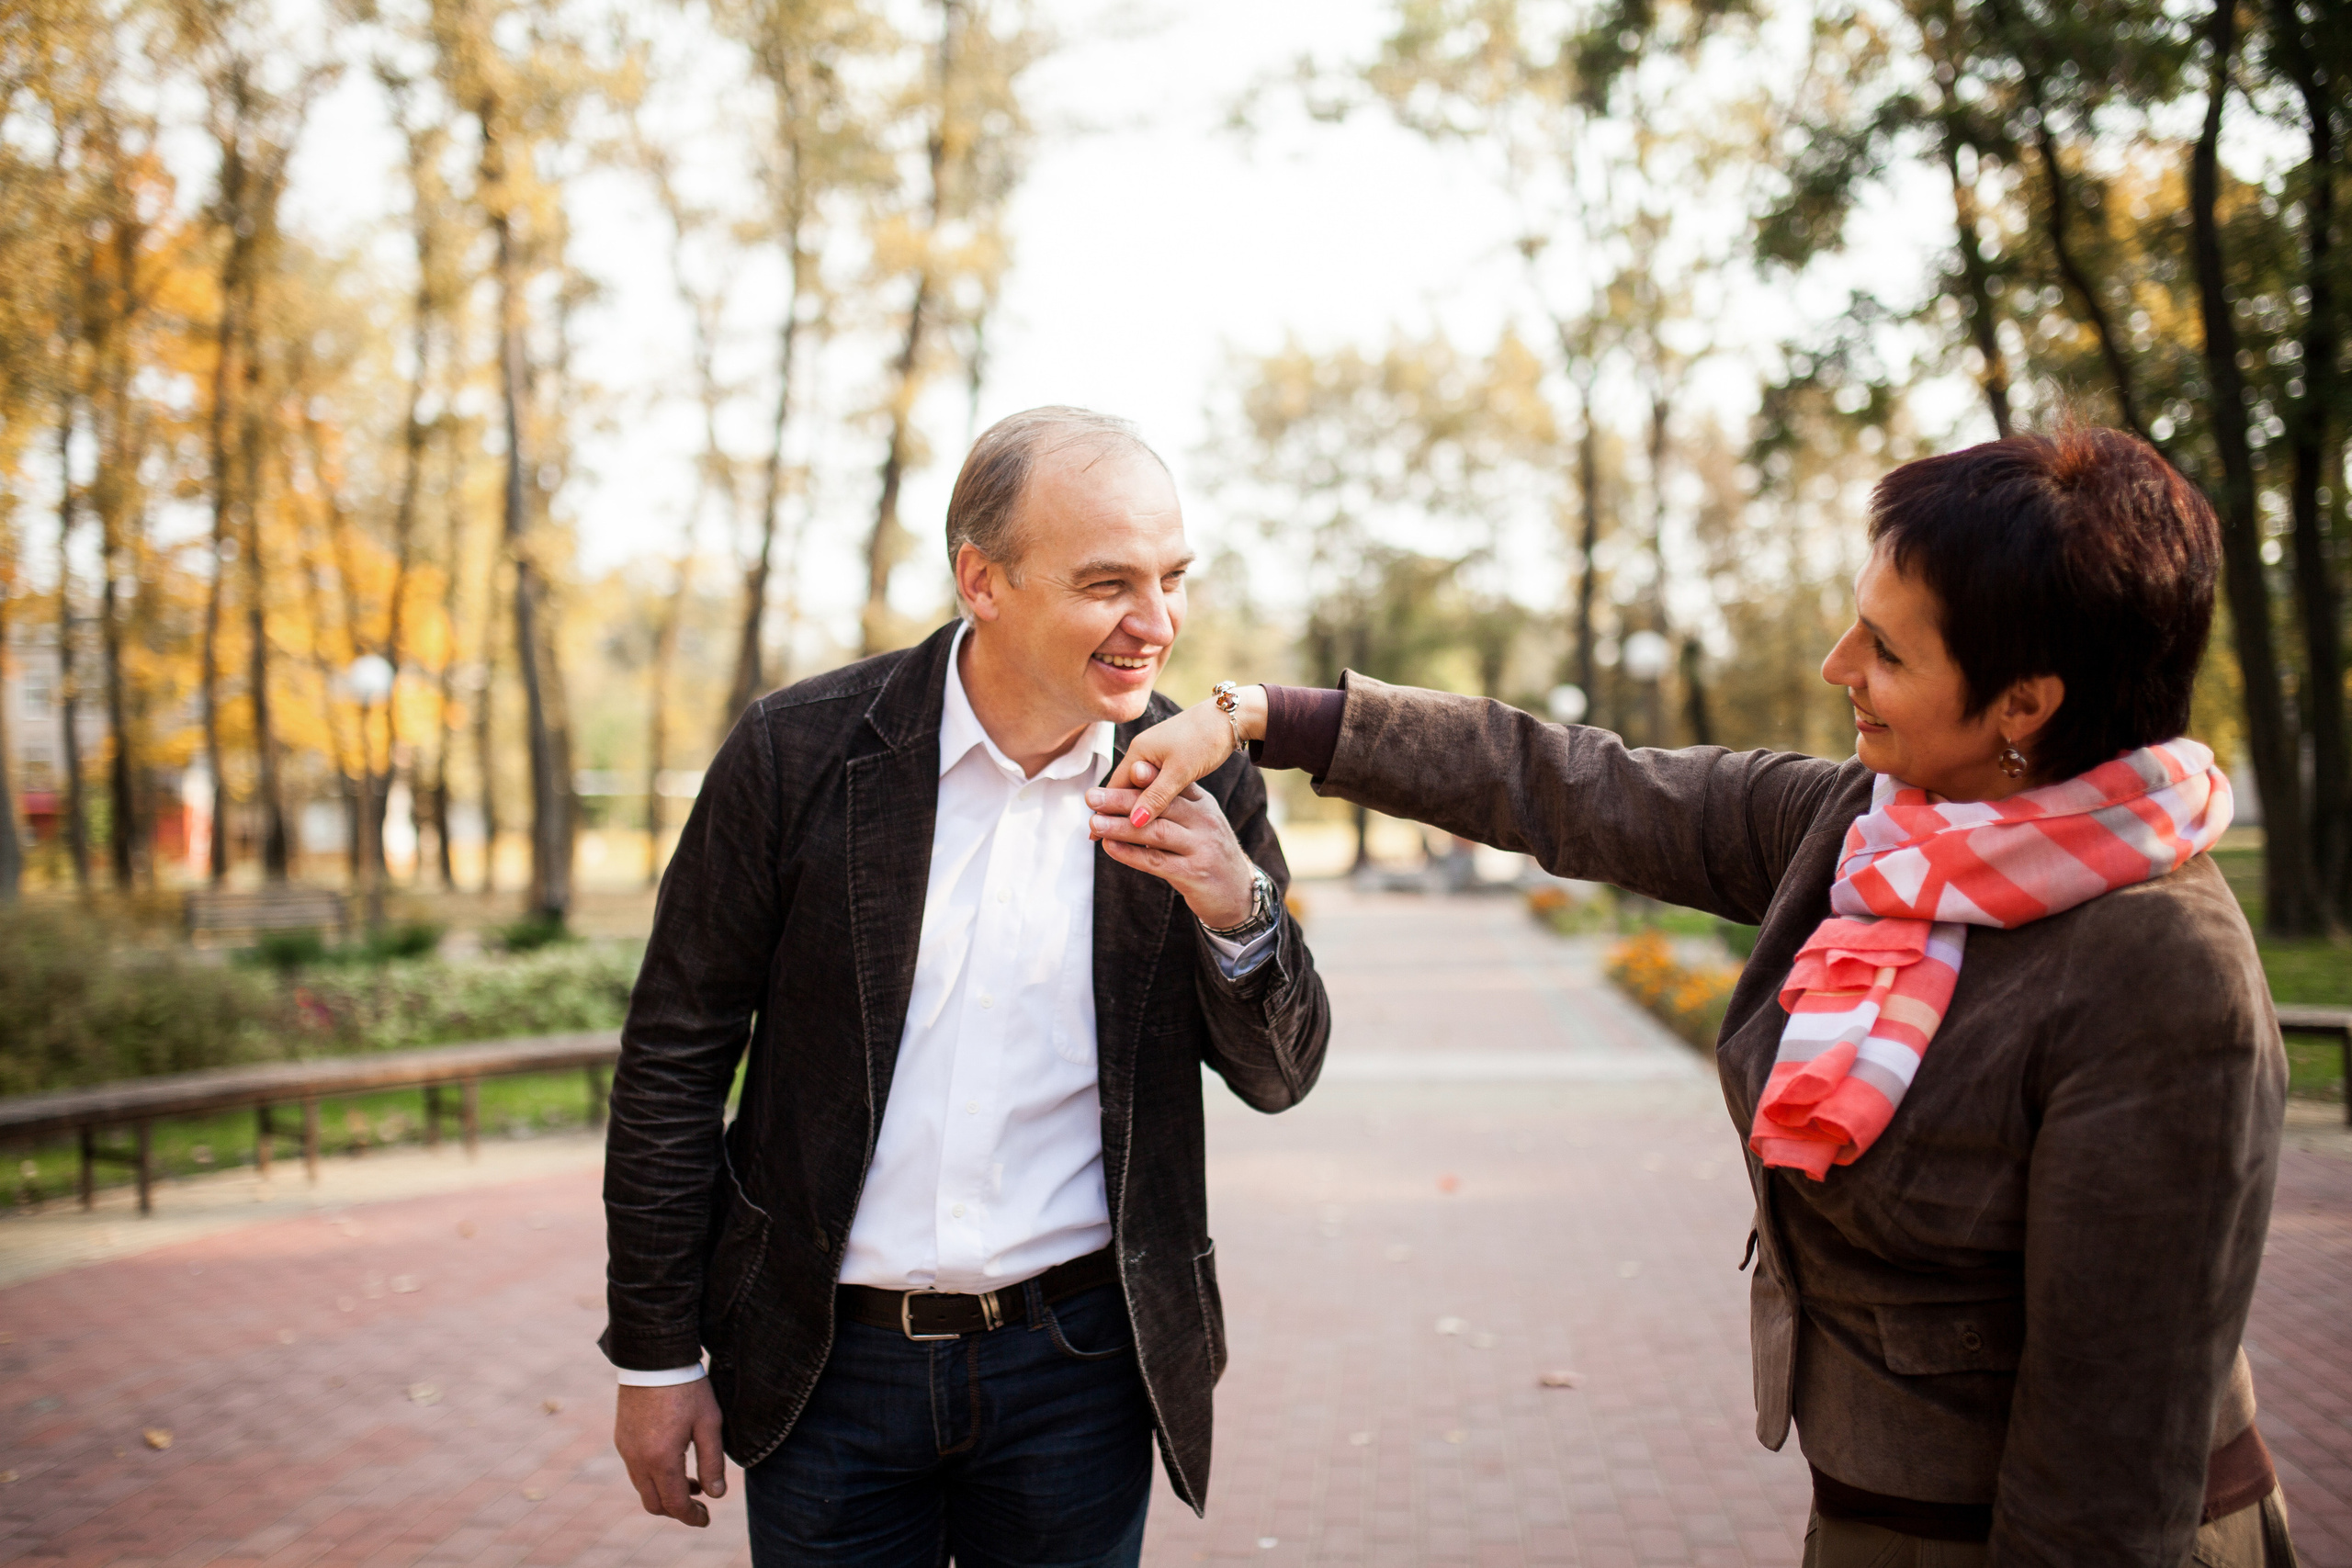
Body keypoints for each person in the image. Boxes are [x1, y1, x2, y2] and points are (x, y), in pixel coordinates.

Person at [1095, 428, 2295, 1567]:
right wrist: (1259, 715)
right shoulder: (1872, 828)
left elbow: (2110, 1449)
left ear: (2025, 706)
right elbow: (1575, 786)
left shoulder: (2161, 969)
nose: (1840, 667)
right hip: (1880, 1523)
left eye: (1886, 649)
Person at [602, 406, 1331, 1566]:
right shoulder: (798, 754)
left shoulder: (1197, 783)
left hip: (1081, 1370)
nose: (1156, 625)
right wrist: (656, 1356)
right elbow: (673, 1061)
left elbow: (1282, 1074)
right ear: (981, 580)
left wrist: (1238, 910)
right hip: (824, 1368)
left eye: (1172, 577)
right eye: (1107, 584)